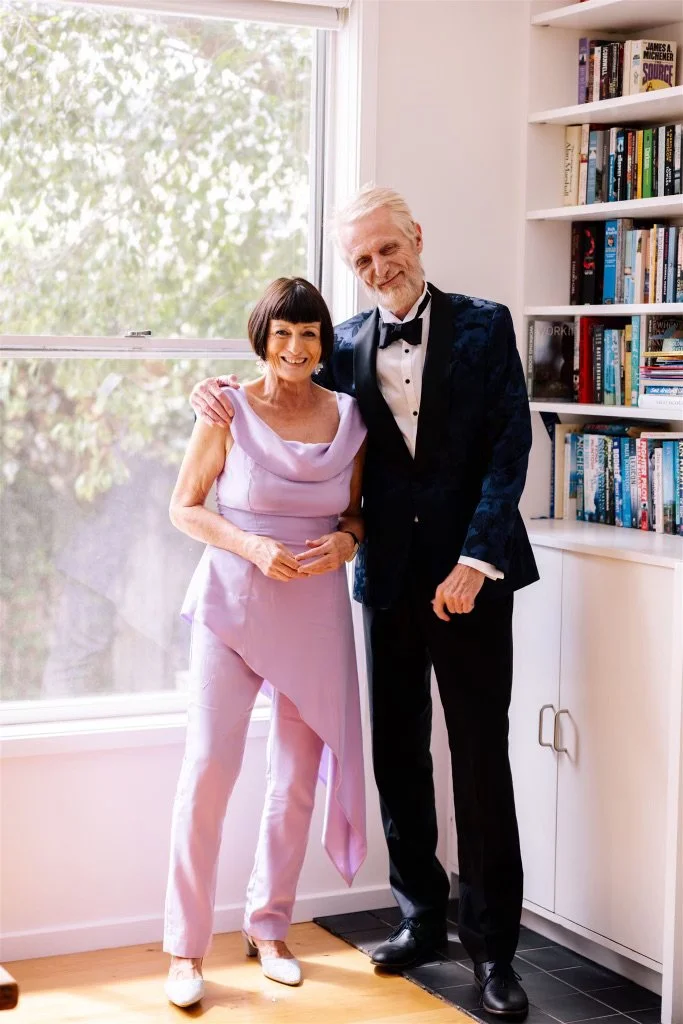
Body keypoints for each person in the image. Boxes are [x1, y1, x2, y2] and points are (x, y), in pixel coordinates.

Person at [190, 186, 539, 1020]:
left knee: (480, 763)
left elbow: (510, 447)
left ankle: (494, 952)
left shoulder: (487, 325)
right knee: (397, 754)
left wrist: (476, 558)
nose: (377, 268)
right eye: (360, 260)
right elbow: (284, 381)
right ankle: (420, 917)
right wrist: (214, 392)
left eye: (387, 249)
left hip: (470, 581)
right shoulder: (340, 344)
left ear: (416, 238)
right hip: (384, 579)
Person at [163, 277, 367, 1008]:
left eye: (308, 333)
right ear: (262, 338)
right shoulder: (226, 407)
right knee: (210, 769)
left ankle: (270, 926)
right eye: (282, 333)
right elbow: (183, 508)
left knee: (293, 783)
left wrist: (345, 543)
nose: (295, 346)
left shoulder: (350, 418)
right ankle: (185, 949)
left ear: (323, 343)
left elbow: (356, 515)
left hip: (314, 609)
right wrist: (250, 546)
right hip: (233, 601)